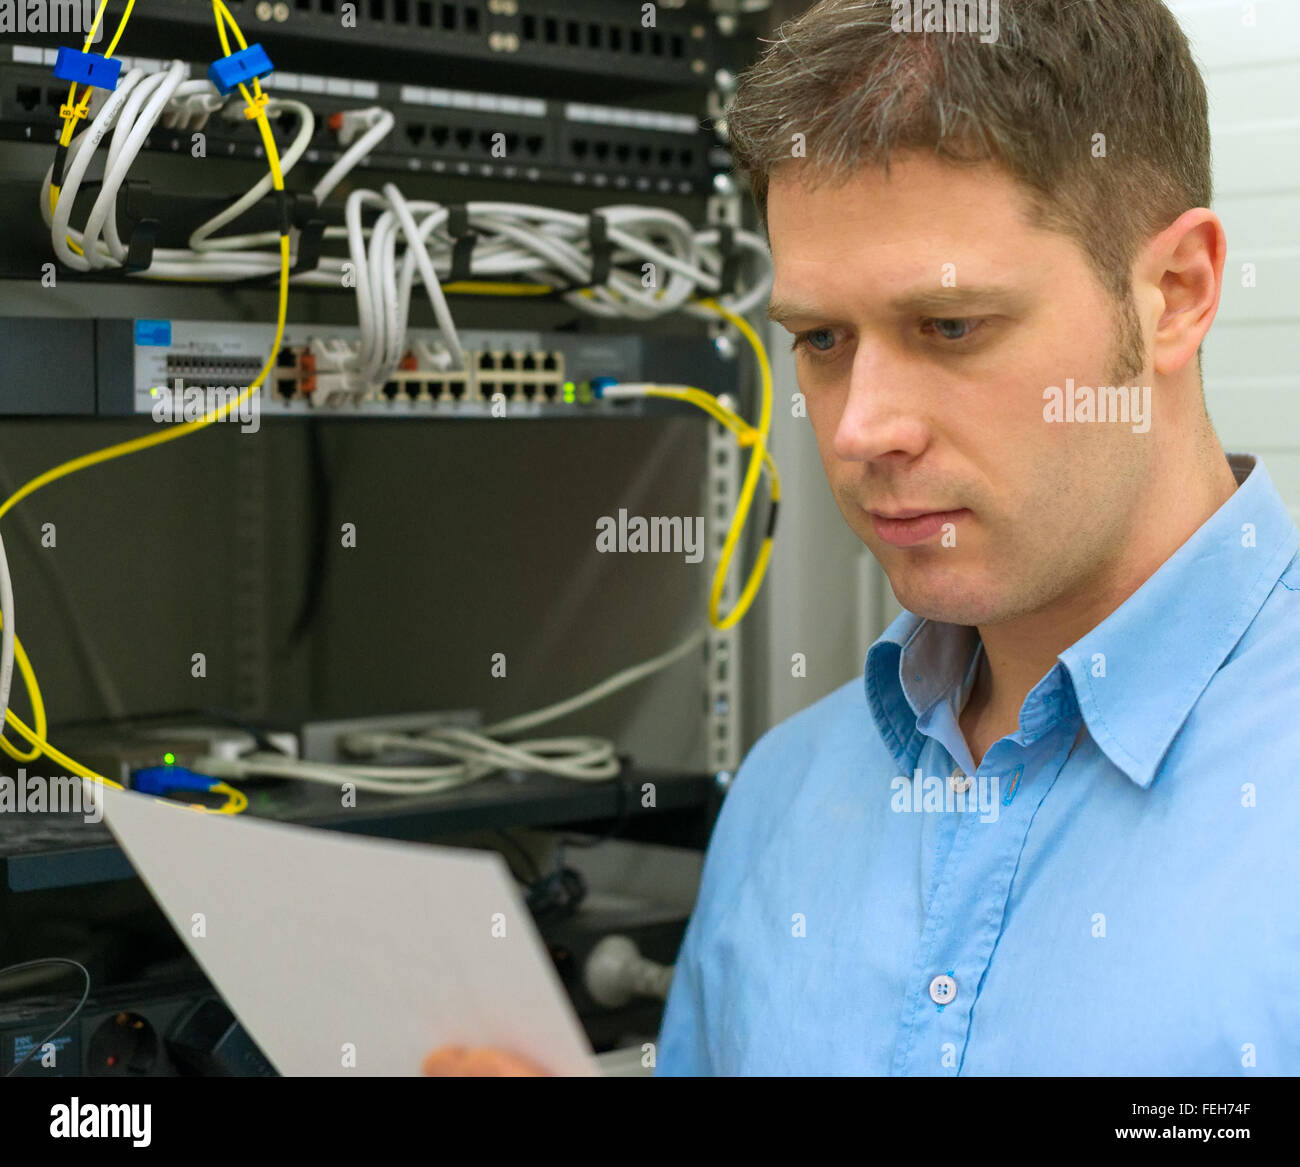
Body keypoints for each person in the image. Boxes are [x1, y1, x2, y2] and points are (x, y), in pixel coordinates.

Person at [429, 0, 1300, 1075]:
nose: (857, 429)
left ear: (1175, 293)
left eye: (948, 327)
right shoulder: (787, 793)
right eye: (821, 339)